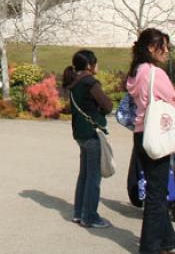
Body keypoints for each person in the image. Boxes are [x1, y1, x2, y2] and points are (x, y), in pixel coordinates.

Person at [126, 28, 175, 254]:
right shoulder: (155, 73)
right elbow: (174, 103)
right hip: (157, 133)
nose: (167, 51)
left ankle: (167, 238)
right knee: (157, 193)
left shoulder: (136, 72)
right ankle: (150, 247)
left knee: (155, 187)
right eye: (164, 46)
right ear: (152, 48)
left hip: (141, 132)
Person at [64, 50, 113, 229]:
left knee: (84, 174)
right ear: (89, 65)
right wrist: (101, 111)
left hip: (80, 133)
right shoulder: (89, 82)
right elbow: (107, 105)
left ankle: (79, 213)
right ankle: (90, 216)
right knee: (93, 176)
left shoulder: (73, 83)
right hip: (93, 133)